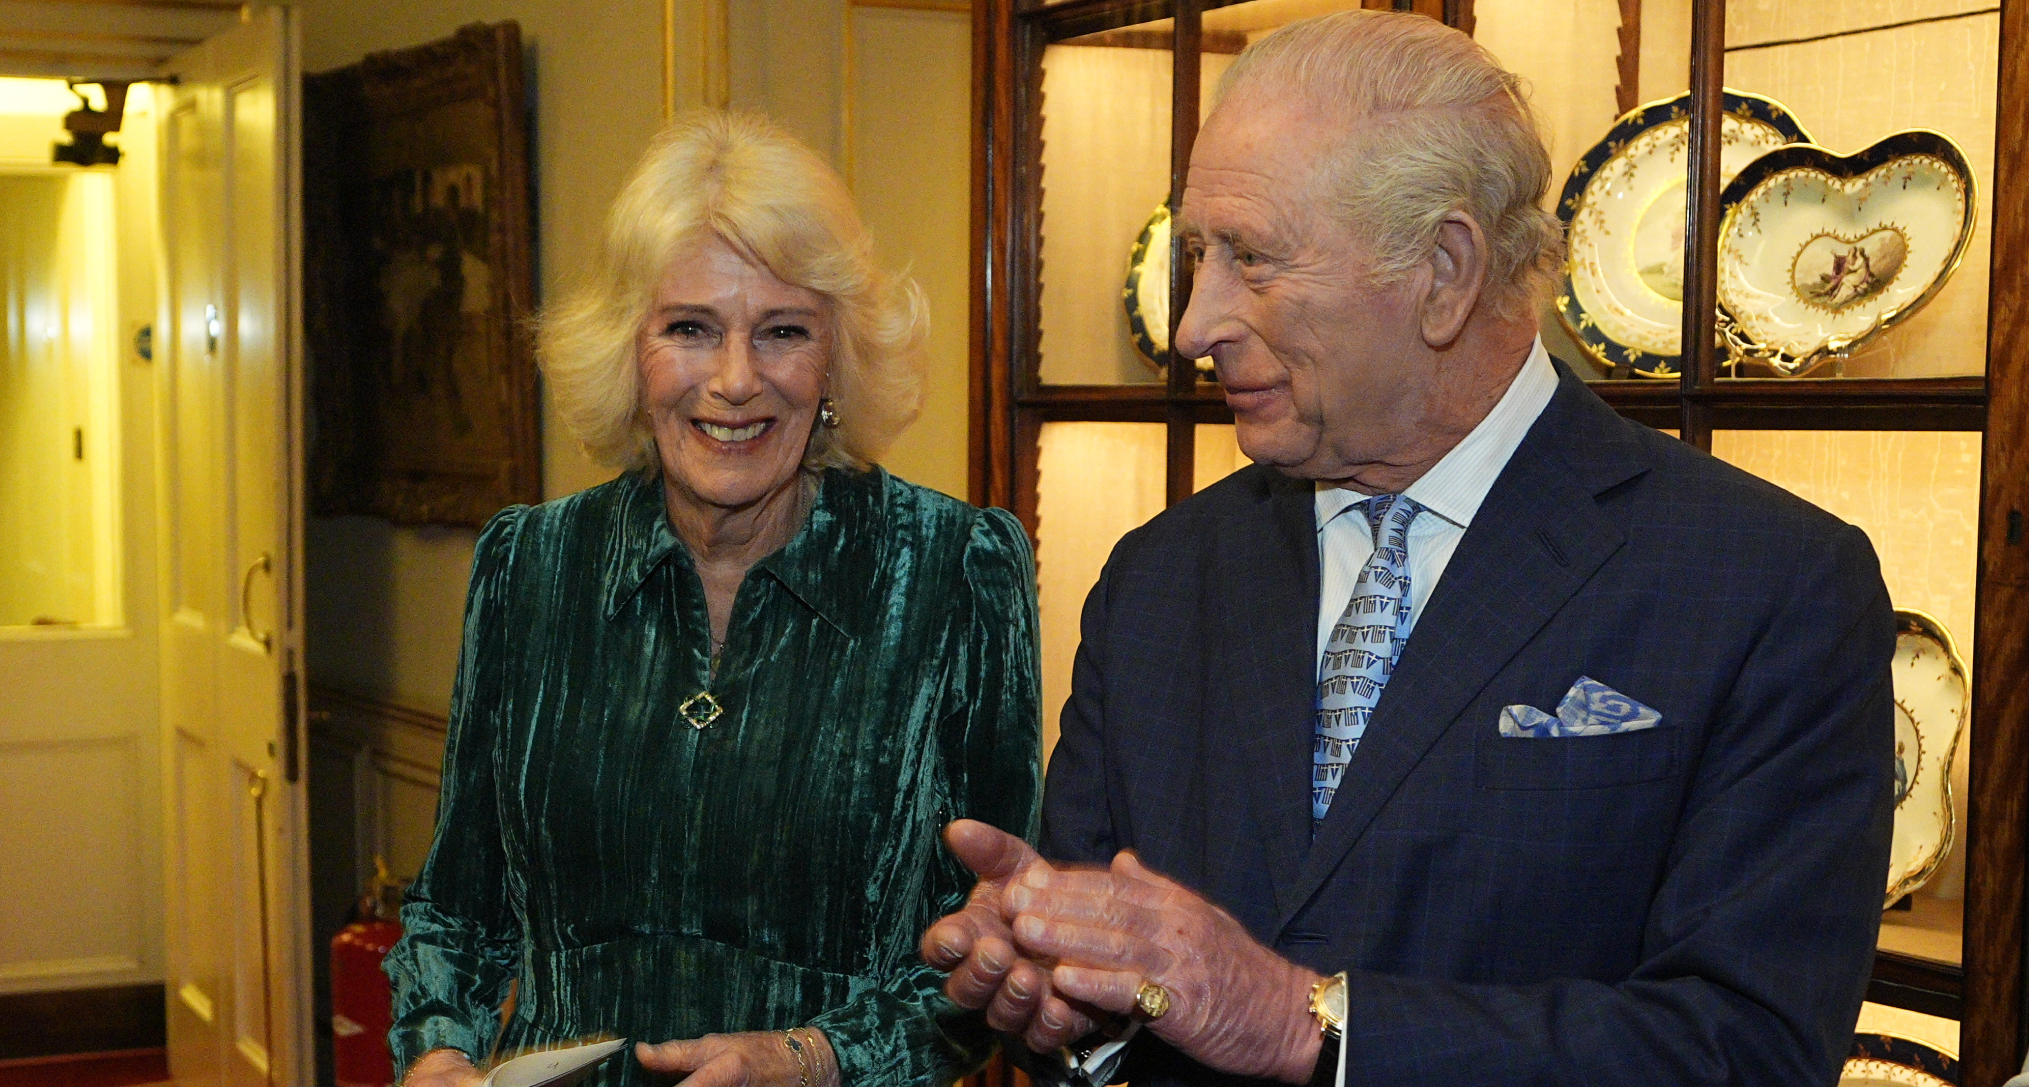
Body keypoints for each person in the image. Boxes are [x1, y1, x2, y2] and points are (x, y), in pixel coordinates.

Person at [922, 11, 1893, 1087]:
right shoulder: (1157, 578)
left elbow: (1744, 1050)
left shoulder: (1767, 585)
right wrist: (1066, 990)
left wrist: (1310, 1025)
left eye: (1252, 258)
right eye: (1200, 255)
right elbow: (1122, 997)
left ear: (1443, 269)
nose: (1196, 324)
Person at [387, 110, 1041, 1087]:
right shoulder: (530, 567)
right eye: (691, 329)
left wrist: (813, 1058)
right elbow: (457, 908)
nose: (735, 381)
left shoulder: (954, 572)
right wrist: (438, 1051)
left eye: (782, 332)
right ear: (630, 349)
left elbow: (997, 948)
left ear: (833, 362)